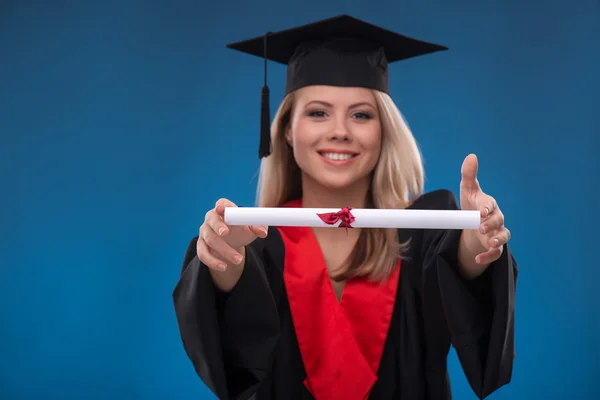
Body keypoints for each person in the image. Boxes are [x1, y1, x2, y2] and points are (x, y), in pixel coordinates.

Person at [173, 14, 518, 400]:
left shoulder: (420, 229)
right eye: (318, 112)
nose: (340, 130)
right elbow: (230, 339)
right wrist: (224, 258)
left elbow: (457, 259)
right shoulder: (258, 238)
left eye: (361, 114)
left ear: (383, 129)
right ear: (288, 129)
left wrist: (478, 241)